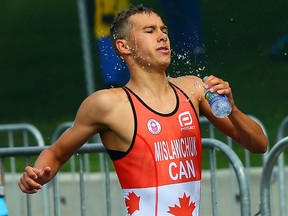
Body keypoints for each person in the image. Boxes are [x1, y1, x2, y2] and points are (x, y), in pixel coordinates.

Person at [18, 4, 268, 215]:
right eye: (150, 31)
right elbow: (56, 153)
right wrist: (37, 174)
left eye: (164, 30)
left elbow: (259, 145)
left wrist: (232, 109)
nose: (162, 36)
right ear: (124, 47)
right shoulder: (108, 104)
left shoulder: (193, 90)